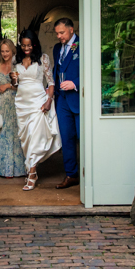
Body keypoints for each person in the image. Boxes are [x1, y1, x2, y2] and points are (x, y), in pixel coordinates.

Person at [14, 29, 60, 191]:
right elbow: (16, 84)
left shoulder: (43, 59)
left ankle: (32, 173)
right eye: (23, 45)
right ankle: (31, 168)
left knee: (35, 136)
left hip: (38, 102)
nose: (26, 48)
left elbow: (51, 82)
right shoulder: (16, 59)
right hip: (21, 104)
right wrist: (14, 81)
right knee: (25, 139)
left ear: (34, 44)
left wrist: (49, 100)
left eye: (29, 45)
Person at [0, 38, 26, 178]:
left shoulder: (19, 66)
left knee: (14, 133)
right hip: (1, 103)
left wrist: (8, 85)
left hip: (15, 103)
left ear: (13, 51)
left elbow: (23, 85)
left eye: (7, 51)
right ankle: (0, 168)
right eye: (2, 51)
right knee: (1, 132)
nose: (5, 54)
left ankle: (15, 169)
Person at [52, 17, 80, 189]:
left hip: (78, 98)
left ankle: (89, 174)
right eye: (57, 33)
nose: (59, 36)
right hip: (61, 99)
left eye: (61, 32)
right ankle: (71, 175)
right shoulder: (57, 48)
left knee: (82, 138)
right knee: (66, 139)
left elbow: (92, 69)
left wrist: (75, 83)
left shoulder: (82, 45)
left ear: (71, 29)